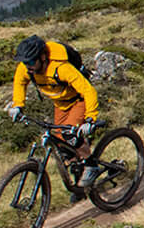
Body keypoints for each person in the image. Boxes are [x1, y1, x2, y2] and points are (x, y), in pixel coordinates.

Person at [7, 34, 102, 193]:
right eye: (25, 62)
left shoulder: (62, 68)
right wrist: (18, 105)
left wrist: (90, 118)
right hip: (60, 103)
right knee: (59, 141)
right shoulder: (27, 68)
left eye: (31, 61)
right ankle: (79, 184)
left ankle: (91, 165)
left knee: (69, 134)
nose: (27, 66)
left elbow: (88, 90)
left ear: (42, 57)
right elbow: (20, 82)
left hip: (79, 100)